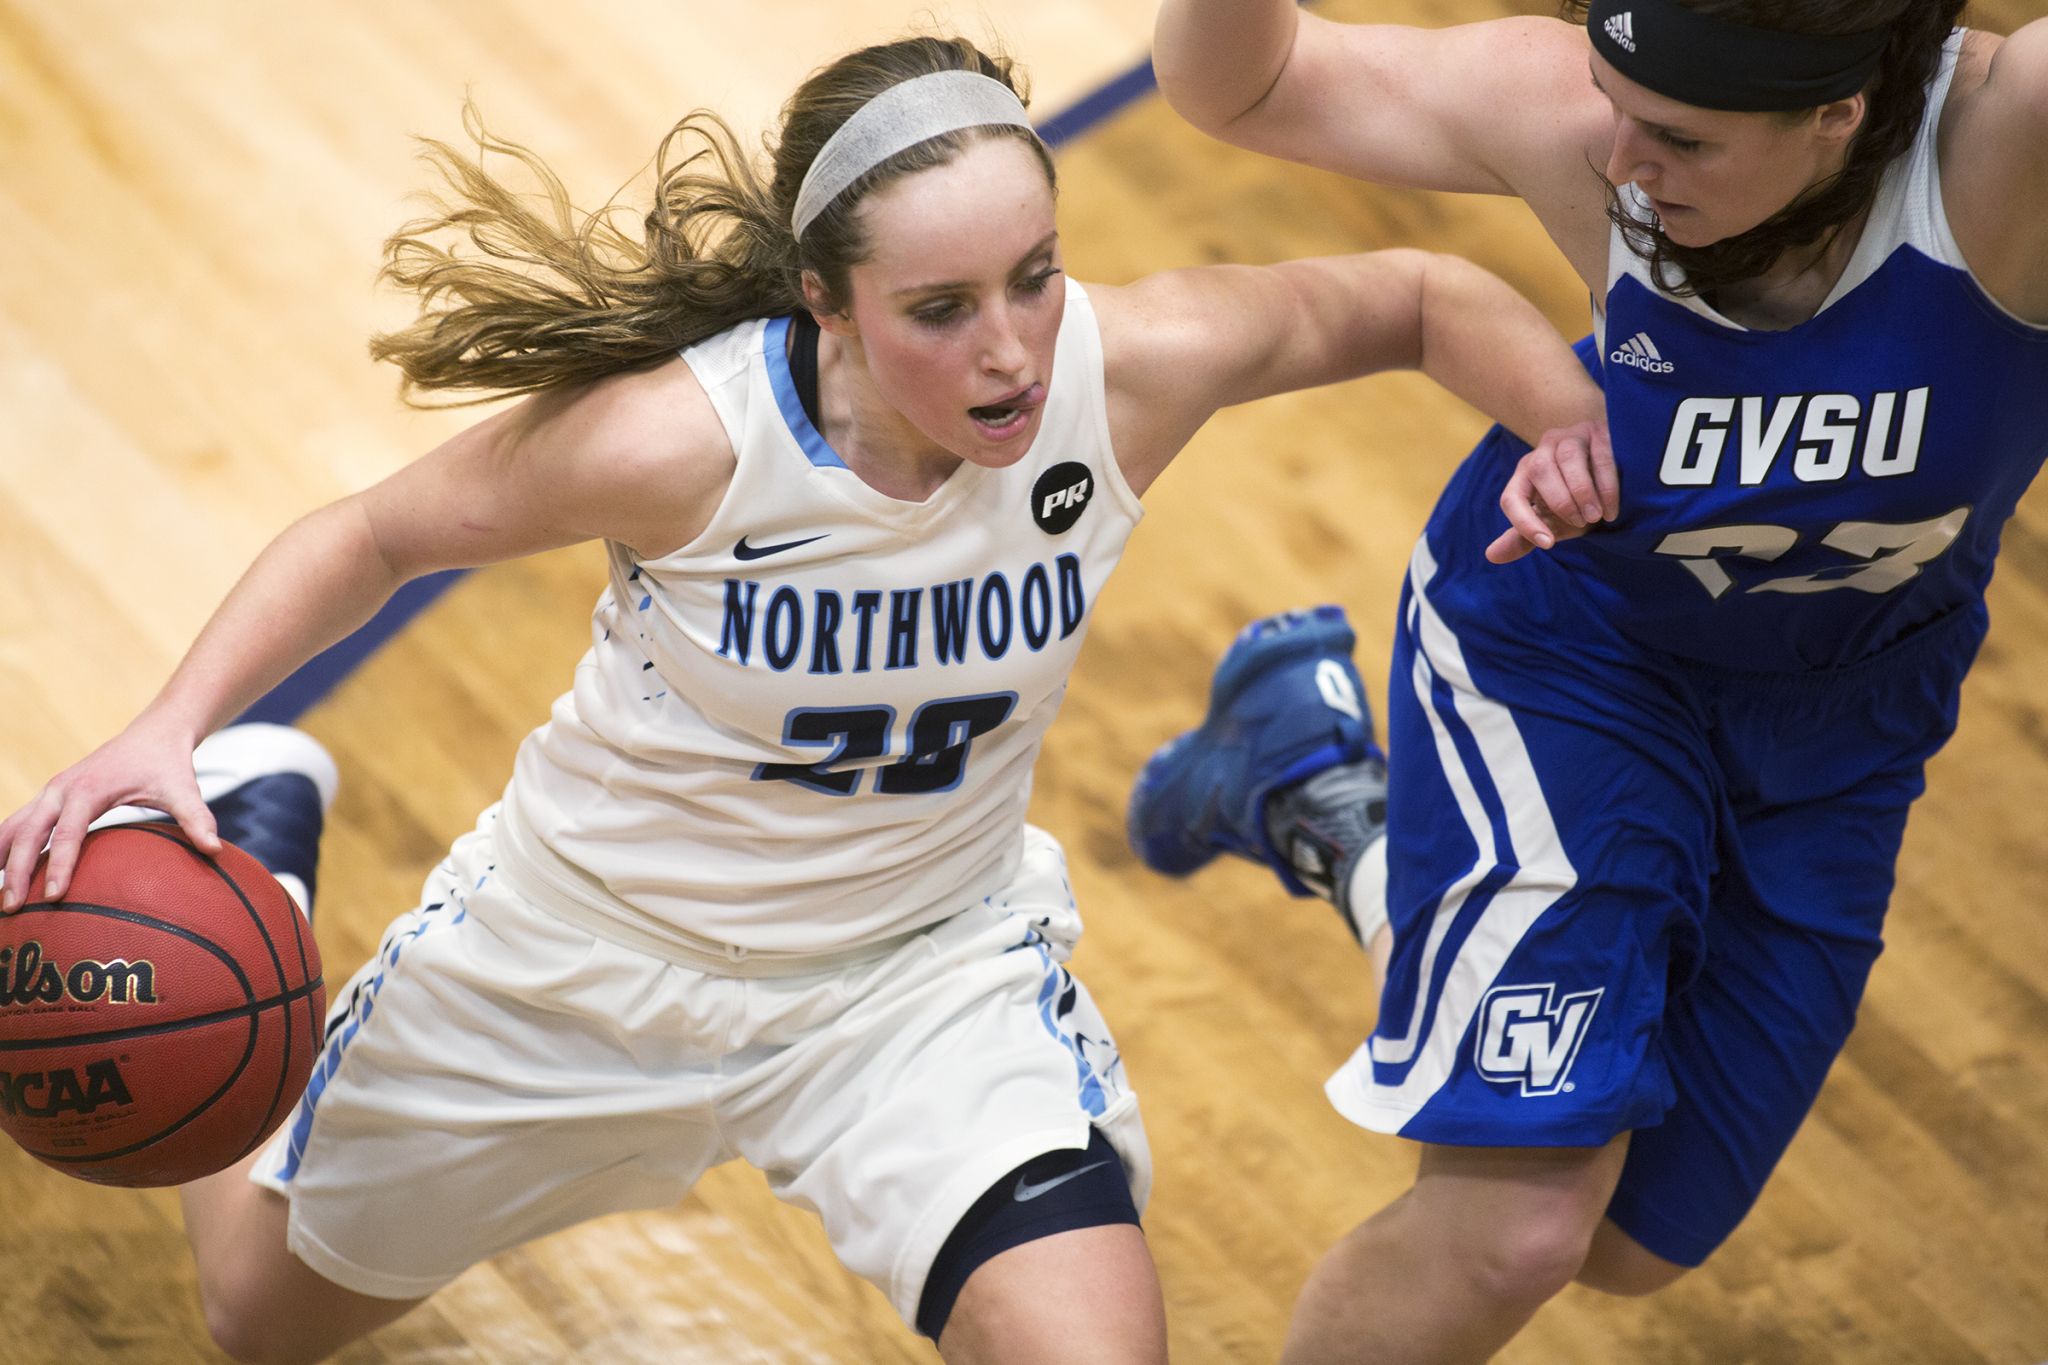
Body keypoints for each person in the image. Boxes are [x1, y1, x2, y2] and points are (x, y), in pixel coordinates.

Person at [0, 34, 1608, 1365]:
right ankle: (262, 847)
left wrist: (1570, 430)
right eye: (941, 308)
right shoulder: (678, 444)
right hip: (574, 961)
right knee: (254, 1316)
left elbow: (1414, 293)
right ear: (827, 304)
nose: (1012, 351)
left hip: (912, 984)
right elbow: (371, 534)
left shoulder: (1125, 373)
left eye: (1036, 277)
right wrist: (167, 723)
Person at [1129, 1, 2048, 1361]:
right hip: (1573, 654)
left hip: (1849, 714)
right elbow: (1242, 86)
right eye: (1615, 106)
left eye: (1678, 138)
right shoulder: (1571, 116)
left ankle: (1329, 799)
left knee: (1632, 1239)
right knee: (1519, 1222)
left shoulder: (2005, 152)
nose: (1621, 161)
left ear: (1839, 114)